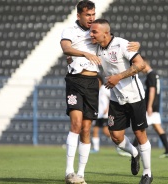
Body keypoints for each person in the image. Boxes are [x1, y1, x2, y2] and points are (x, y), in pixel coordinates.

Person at [60, 1, 140, 184]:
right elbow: (66, 48)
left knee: (86, 129)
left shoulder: (95, 32)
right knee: (76, 123)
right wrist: (85, 54)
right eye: (88, 15)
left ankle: (80, 175)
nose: (91, 18)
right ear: (78, 15)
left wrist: (135, 45)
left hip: (91, 83)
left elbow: (113, 42)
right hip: (75, 81)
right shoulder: (69, 30)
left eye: (93, 14)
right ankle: (68, 171)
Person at [90, 19, 153, 184]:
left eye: (94, 32)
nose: (91, 35)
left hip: (134, 96)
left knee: (140, 134)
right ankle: (134, 153)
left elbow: (140, 65)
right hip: (115, 99)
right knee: (116, 137)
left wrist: (118, 77)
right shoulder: (95, 47)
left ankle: (147, 173)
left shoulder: (122, 44)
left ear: (106, 33)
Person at [132, 57, 168, 159]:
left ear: (144, 64)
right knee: (157, 127)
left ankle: (132, 149)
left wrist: (149, 106)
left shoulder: (151, 75)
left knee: (140, 127)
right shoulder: (155, 74)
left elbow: (152, 90)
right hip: (155, 105)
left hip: (151, 106)